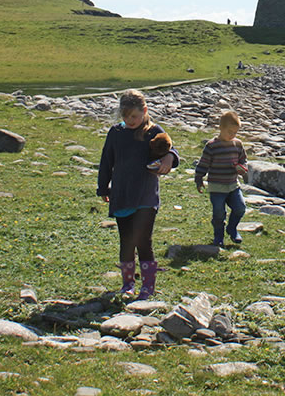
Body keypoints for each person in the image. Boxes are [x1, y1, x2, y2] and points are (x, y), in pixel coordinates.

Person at [97, 89, 178, 299]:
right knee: (126, 242)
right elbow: (106, 161)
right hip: (122, 195)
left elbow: (170, 148)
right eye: (125, 116)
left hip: (146, 196)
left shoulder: (153, 131)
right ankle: (128, 284)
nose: (129, 120)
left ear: (144, 111)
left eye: (134, 116)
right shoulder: (116, 133)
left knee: (143, 241)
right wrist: (103, 187)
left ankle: (148, 286)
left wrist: (169, 158)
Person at [194, 110, 248, 246]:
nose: (232, 135)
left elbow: (243, 160)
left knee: (240, 207)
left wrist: (242, 168)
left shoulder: (237, 144)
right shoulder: (212, 146)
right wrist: (199, 179)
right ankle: (218, 236)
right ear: (221, 128)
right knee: (219, 213)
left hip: (233, 185)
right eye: (230, 132)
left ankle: (232, 228)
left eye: (235, 132)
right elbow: (203, 164)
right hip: (217, 186)